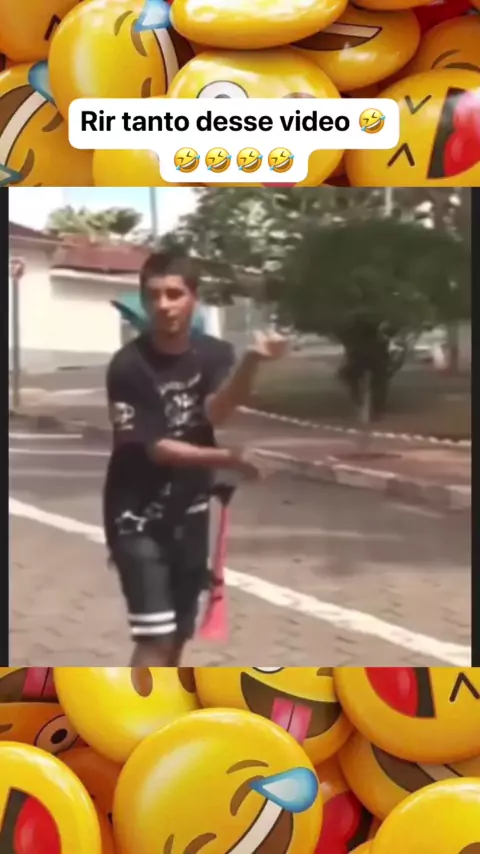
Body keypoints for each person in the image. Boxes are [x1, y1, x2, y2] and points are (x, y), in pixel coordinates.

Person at [103, 250, 288, 666]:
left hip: (189, 511)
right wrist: (230, 458)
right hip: (135, 518)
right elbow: (158, 448)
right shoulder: (128, 366)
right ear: (144, 301)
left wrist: (252, 361)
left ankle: (163, 703)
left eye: (174, 294)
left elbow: (216, 411)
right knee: (156, 638)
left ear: (194, 298)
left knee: (178, 635)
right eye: (154, 295)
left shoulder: (214, 353)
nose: (164, 305)